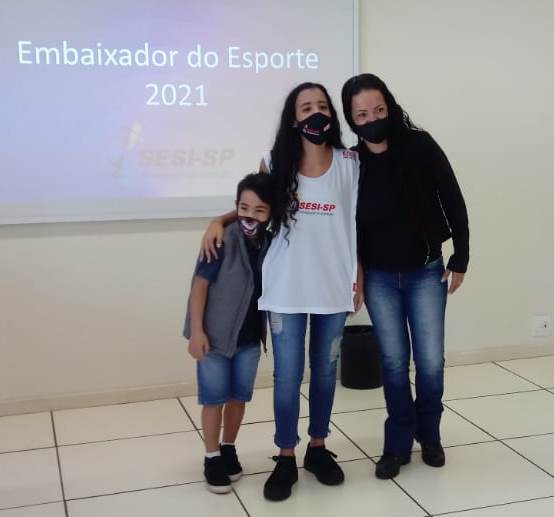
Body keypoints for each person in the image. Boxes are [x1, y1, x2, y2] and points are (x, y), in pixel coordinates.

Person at [200, 82, 363, 501]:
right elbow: (252, 207)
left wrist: (358, 275)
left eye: (322, 106)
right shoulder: (274, 163)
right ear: (294, 119)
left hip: (333, 286)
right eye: (306, 107)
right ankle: (286, 454)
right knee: (287, 375)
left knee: (325, 371)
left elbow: (357, 223)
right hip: (285, 288)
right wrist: (219, 220)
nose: (315, 113)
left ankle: (318, 448)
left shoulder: (350, 163)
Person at [341, 73, 470, 479]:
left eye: (379, 110)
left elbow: (452, 198)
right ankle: (397, 444)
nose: (372, 119)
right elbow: (345, 225)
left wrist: (461, 256)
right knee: (394, 363)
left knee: (430, 361)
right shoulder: (350, 162)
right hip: (380, 278)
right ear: (351, 119)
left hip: (426, 273)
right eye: (362, 115)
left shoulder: (420, 145)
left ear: (390, 107)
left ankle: (429, 435)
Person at [183, 172, 274, 494]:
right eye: (243, 208)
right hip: (215, 338)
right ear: (236, 207)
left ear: (271, 212)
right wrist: (197, 331)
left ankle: (229, 447)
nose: (250, 216)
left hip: (249, 339)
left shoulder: (271, 242)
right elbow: (199, 286)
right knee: (214, 399)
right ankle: (211, 457)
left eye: (259, 210)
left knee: (238, 398)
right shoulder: (221, 239)